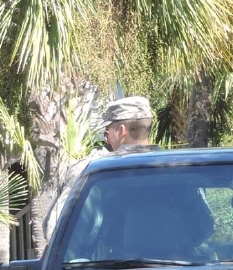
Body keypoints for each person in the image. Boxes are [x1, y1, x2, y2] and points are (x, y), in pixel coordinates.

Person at [42, 96, 155, 243]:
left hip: (109, 256)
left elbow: (55, 230)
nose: (106, 139)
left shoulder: (94, 169)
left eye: (107, 133)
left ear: (121, 131)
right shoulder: (173, 165)